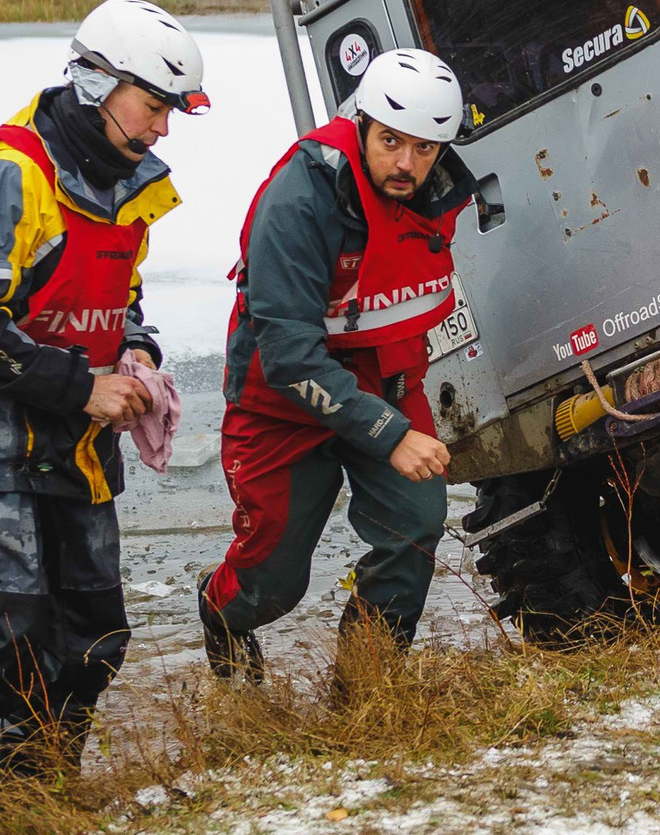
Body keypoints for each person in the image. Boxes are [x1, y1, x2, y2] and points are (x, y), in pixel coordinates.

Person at [0, 0, 208, 835]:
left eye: (173, 112)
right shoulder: (7, 171)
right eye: (155, 105)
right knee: (6, 626)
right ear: (98, 81)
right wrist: (84, 386)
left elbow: (120, 297)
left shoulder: (126, 184)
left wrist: (136, 355)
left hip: (72, 438)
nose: (162, 129)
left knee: (95, 634)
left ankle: (37, 793)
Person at [200, 48, 472, 680]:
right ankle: (222, 614)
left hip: (387, 376)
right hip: (284, 401)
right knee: (273, 581)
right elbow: (290, 356)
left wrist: (395, 419)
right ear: (362, 124)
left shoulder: (439, 188)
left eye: (426, 149)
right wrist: (390, 434)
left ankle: (364, 690)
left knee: (416, 520)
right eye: (391, 141)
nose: (407, 164)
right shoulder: (300, 199)